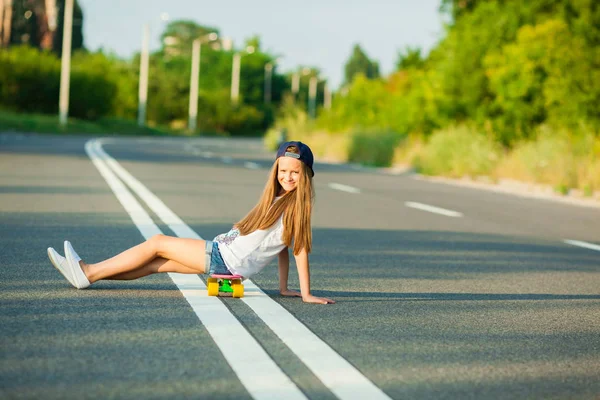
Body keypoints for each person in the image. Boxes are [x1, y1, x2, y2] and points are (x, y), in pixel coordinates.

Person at [47, 141, 335, 305]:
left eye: (295, 172)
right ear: (275, 171)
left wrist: (306, 293)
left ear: (306, 175)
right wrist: (284, 288)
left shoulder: (296, 209)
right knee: (153, 264)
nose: (287, 177)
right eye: (283, 170)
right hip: (227, 261)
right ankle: (89, 276)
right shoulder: (279, 200)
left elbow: (299, 250)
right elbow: (281, 248)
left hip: (224, 259)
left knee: (158, 242)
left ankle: (86, 270)